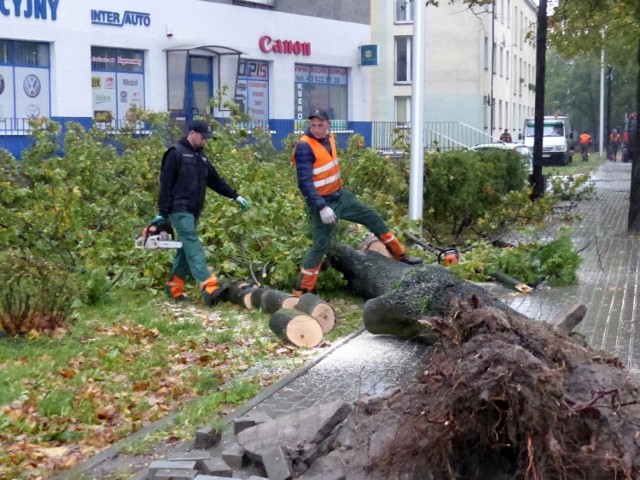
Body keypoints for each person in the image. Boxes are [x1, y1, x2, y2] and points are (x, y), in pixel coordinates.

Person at [291, 108, 422, 296]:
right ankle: (301, 292)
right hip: (322, 203)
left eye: (320, 125)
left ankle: (400, 255)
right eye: (313, 125)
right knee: (320, 246)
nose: (316, 129)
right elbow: (304, 183)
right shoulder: (305, 147)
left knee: (372, 217)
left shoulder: (329, 137)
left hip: (340, 196)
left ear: (328, 124)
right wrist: (321, 207)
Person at [151, 119, 250, 305]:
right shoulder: (175, 153)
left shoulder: (201, 157)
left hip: (194, 210)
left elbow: (216, 181)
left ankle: (173, 289)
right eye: (203, 138)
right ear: (193, 133)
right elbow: (166, 184)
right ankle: (208, 287)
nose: (205, 141)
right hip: (178, 209)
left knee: (184, 250)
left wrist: (235, 196)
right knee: (192, 243)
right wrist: (163, 213)